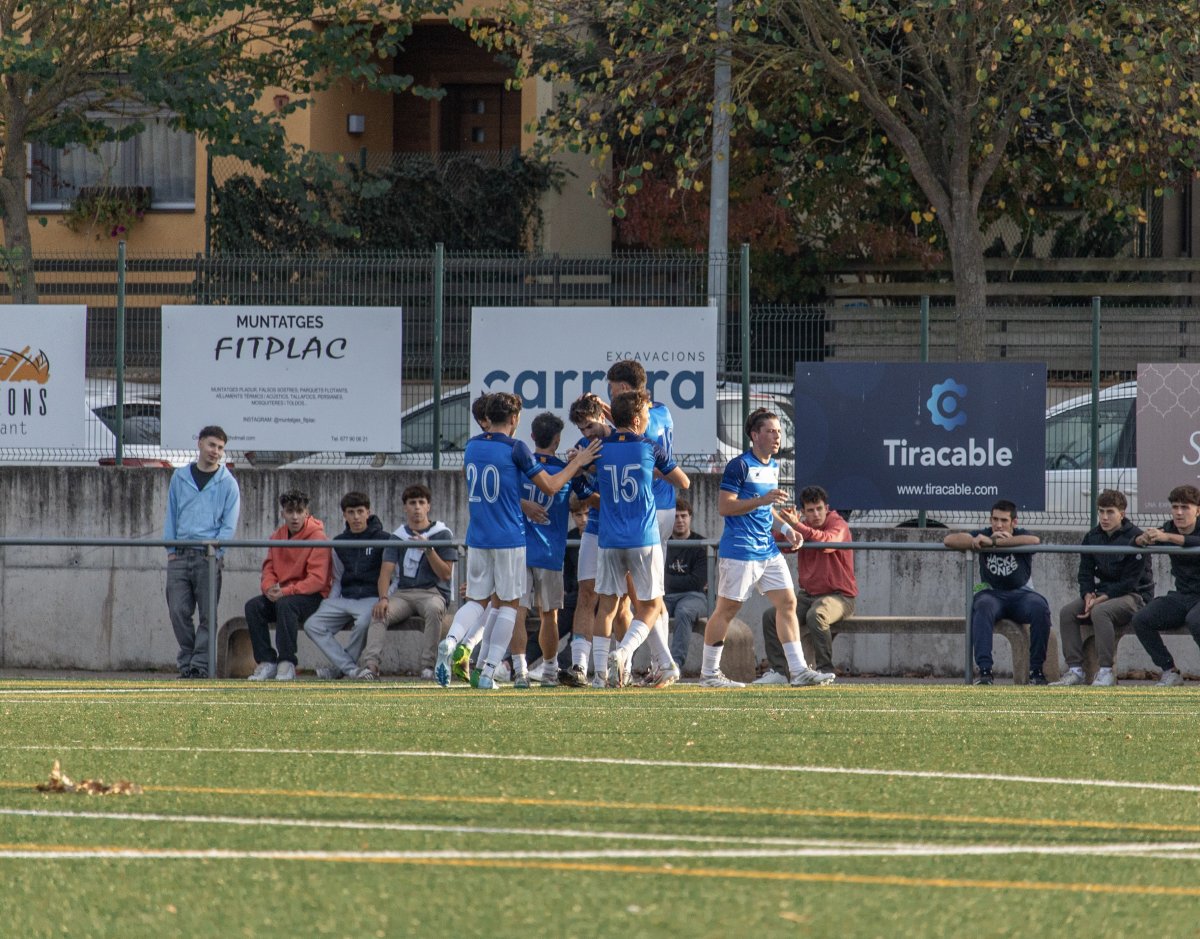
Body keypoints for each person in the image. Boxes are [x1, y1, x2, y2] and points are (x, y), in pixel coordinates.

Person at [434, 392, 599, 688]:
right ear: (514, 419)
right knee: (510, 607)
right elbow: (549, 486)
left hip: (478, 537)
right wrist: (578, 463)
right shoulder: (516, 448)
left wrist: (521, 501)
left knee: (478, 601)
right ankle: (487, 673)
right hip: (510, 539)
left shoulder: (471, 446)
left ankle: (451, 640)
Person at [700, 408, 833, 689]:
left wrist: (787, 529)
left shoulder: (772, 466)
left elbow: (766, 507)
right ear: (754, 434)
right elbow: (726, 506)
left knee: (787, 603)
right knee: (727, 609)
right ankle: (709, 674)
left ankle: (797, 671)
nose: (777, 437)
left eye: (779, 432)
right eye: (771, 431)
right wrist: (761, 500)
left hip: (767, 549)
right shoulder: (739, 465)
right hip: (741, 550)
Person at [593, 389, 690, 688]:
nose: (649, 419)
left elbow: (583, 473)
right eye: (647, 415)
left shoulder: (599, 447)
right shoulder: (649, 446)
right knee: (649, 606)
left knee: (607, 606)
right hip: (643, 538)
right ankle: (624, 652)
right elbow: (683, 481)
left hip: (608, 538)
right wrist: (654, 473)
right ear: (637, 419)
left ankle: (599, 677)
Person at [606, 359, 678, 680]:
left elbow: (631, 436)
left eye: (612, 390)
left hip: (643, 512)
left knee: (642, 596)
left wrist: (603, 423)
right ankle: (663, 662)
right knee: (650, 594)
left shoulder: (638, 419)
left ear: (622, 388)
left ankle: (657, 662)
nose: (610, 395)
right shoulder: (664, 410)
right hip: (666, 506)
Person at [511, 412, 584, 688]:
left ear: (531, 437)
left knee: (517, 611)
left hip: (518, 550)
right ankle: (551, 670)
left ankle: (519, 671)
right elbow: (584, 494)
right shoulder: (563, 471)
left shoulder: (519, 465)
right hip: (550, 553)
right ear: (557, 439)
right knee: (549, 614)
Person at [943, 499, 1051, 685]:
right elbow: (949, 540)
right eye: (995, 519)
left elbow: (1034, 540)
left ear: (1014, 523)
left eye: (1004, 520)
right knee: (982, 605)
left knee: (1040, 607)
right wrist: (976, 540)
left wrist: (993, 543)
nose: (998, 525)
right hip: (993, 595)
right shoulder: (984, 534)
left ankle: (1036, 672)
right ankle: (985, 673)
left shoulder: (1019, 534)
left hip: (1021, 595)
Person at [1052, 489, 1152, 687]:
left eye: (1110, 512)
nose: (1104, 517)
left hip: (1133, 597)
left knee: (1101, 612)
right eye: (1101, 512)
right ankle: (1075, 670)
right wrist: (1088, 594)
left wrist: (1099, 599)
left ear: (1121, 514)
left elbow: (1130, 583)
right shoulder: (1092, 536)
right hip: (1101, 595)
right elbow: (1085, 572)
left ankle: (1105, 670)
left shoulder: (1137, 537)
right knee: (1068, 612)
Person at [756, 486, 856, 684]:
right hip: (808, 595)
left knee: (816, 615)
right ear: (803, 512)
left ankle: (824, 669)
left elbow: (828, 542)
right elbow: (781, 544)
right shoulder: (802, 526)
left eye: (819, 509)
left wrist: (798, 526)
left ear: (826, 508)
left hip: (841, 596)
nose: (816, 514)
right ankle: (778, 672)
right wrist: (786, 525)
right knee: (770, 616)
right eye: (810, 510)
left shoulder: (838, 523)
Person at [164, 424, 241, 679]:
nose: (215, 452)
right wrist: (171, 549)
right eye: (212, 445)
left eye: (220, 448)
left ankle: (199, 665)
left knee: (208, 615)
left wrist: (217, 552)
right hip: (180, 554)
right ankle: (187, 659)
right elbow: (172, 514)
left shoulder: (228, 483)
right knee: (178, 611)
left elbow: (229, 523)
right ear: (199, 444)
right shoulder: (180, 477)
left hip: (208, 555)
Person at [361, 484, 457, 680]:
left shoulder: (442, 533)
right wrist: (383, 598)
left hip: (433, 592)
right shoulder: (398, 536)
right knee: (380, 612)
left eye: (421, 503)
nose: (417, 508)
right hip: (403, 594)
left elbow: (446, 574)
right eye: (412, 503)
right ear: (405, 507)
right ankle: (371, 666)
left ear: (428, 506)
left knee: (433, 609)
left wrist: (428, 549)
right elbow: (385, 572)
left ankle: (428, 667)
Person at [245, 489, 332, 682]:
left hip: (313, 597)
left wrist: (285, 591)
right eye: (290, 511)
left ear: (306, 513)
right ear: (282, 513)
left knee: (287, 605)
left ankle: (287, 662)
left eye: (299, 511)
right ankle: (267, 662)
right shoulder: (277, 537)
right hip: (284, 594)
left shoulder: (318, 538)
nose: (294, 516)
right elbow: (269, 568)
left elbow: (317, 580)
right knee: (254, 606)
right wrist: (268, 588)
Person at [302, 491, 389, 680]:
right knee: (312, 625)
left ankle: (343, 669)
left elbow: (392, 575)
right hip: (345, 598)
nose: (356, 517)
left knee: (364, 623)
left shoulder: (384, 539)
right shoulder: (339, 543)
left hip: (372, 598)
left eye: (360, 511)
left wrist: (386, 598)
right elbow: (338, 578)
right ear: (344, 515)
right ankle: (350, 668)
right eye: (351, 512)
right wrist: (330, 603)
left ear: (368, 512)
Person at [1130, 485, 1200, 686]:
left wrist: (1168, 538)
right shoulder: (1168, 527)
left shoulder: (1171, 533)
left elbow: (1193, 540)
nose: (1179, 512)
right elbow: (1134, 541)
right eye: (1175, 507)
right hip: (1183, 595)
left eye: (1185, 507)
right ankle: (1170, 670)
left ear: (1198, 510)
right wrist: (1141, 539)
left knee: (1195, 621)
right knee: (1141, 619)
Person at [663, 496, 708, 672]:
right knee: (647, 611)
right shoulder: (662, 543)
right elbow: (658, 579)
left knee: (684, 612)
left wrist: (669, 581)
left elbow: (697, 581)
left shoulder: (701, 544)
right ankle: (626, 664)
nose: (680, 520)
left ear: (690, 517)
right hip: (666, 597)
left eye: (683, 516)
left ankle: (674, 667)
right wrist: (677, 582)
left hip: (695, 597)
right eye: (675, 516)